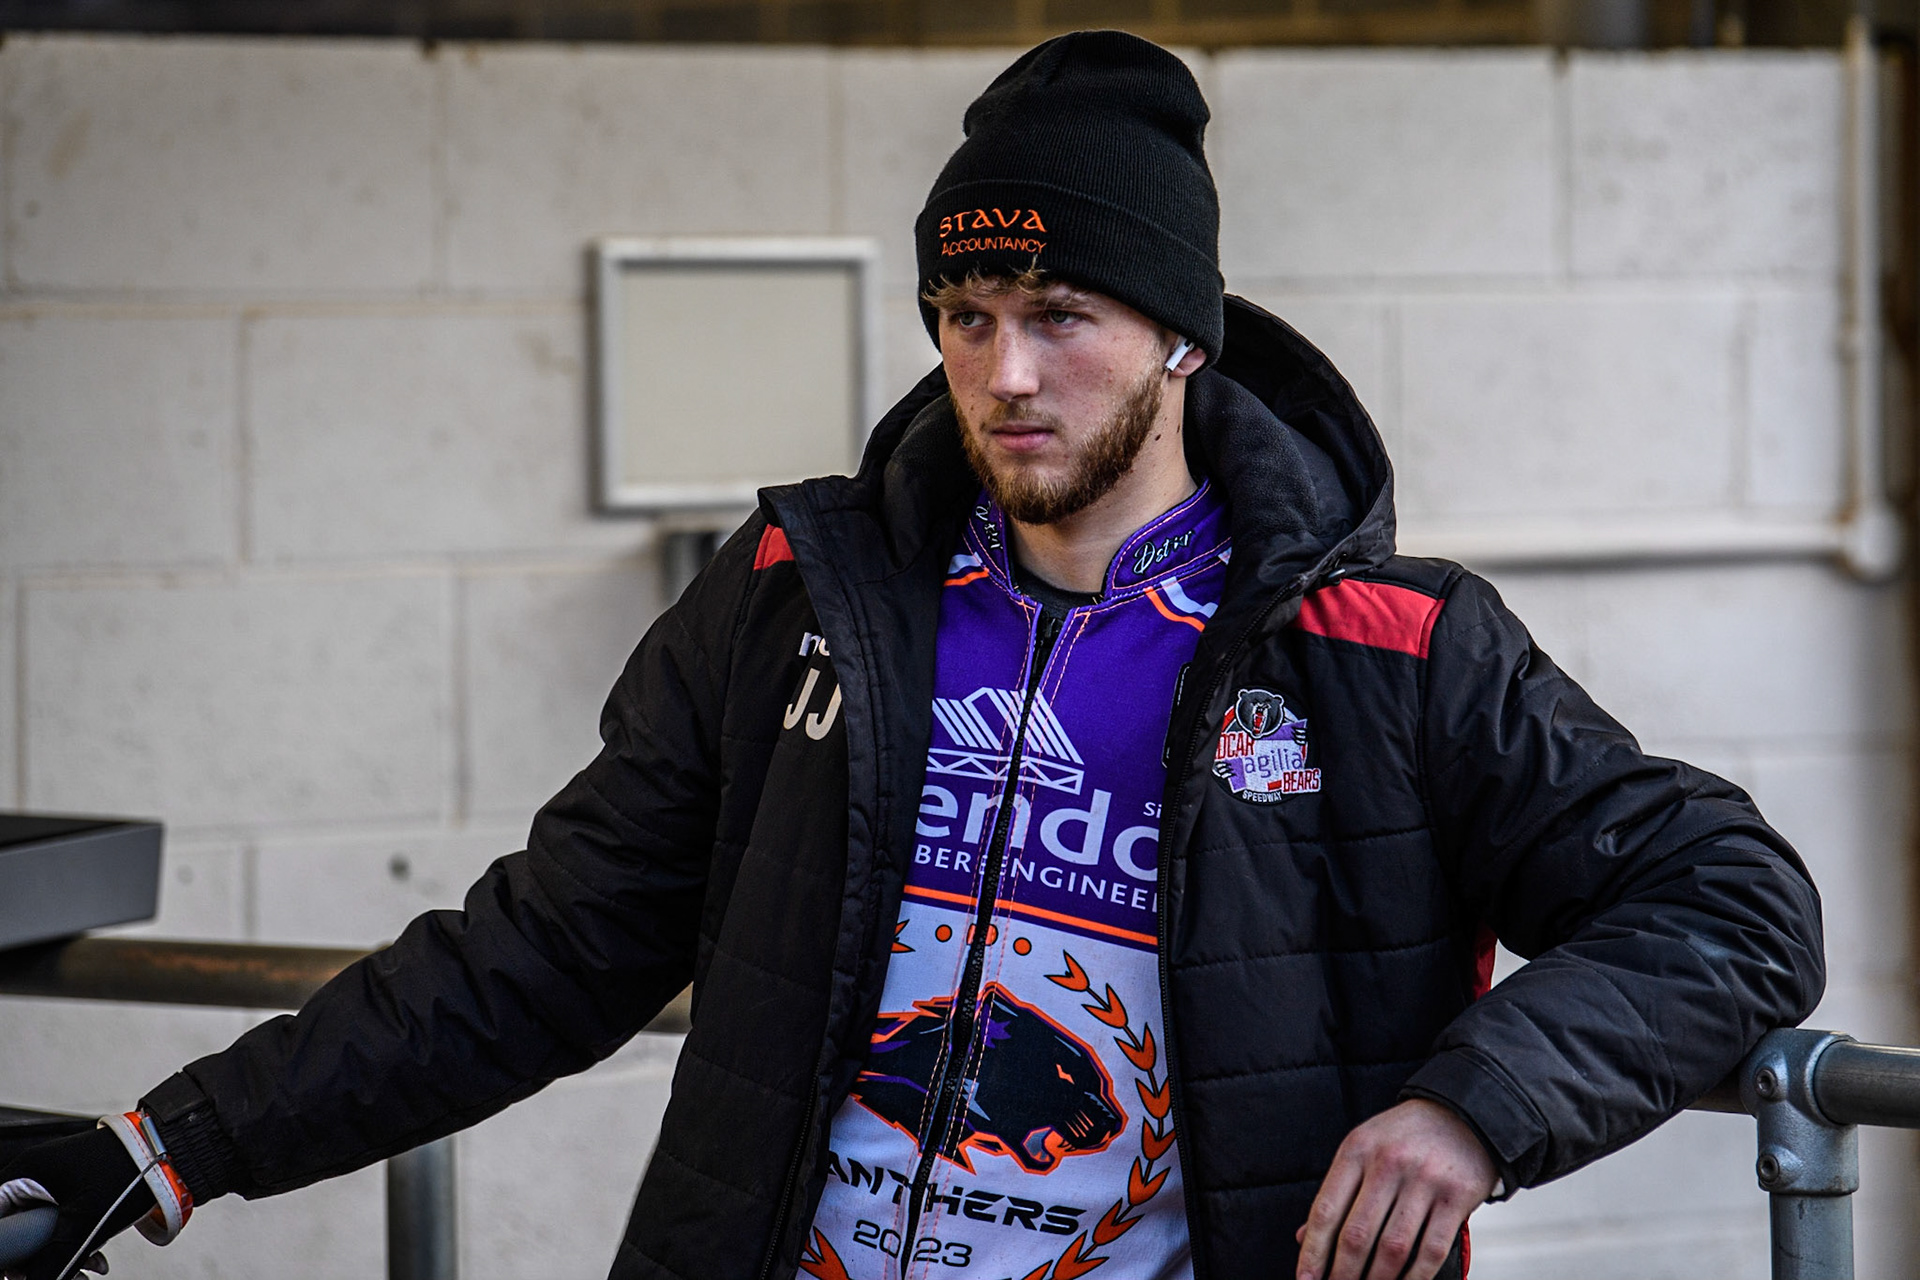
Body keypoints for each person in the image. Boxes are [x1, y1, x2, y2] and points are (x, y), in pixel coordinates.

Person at [0, 30, 1822, 1280]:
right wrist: (169, 1147)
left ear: (1182, 340)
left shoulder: (1383, 649)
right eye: (965, 314)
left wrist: (1469, 1107)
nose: (1004, 373)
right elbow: (543, 947)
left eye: (1062, 317)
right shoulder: (809, 597)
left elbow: (1734, 901)